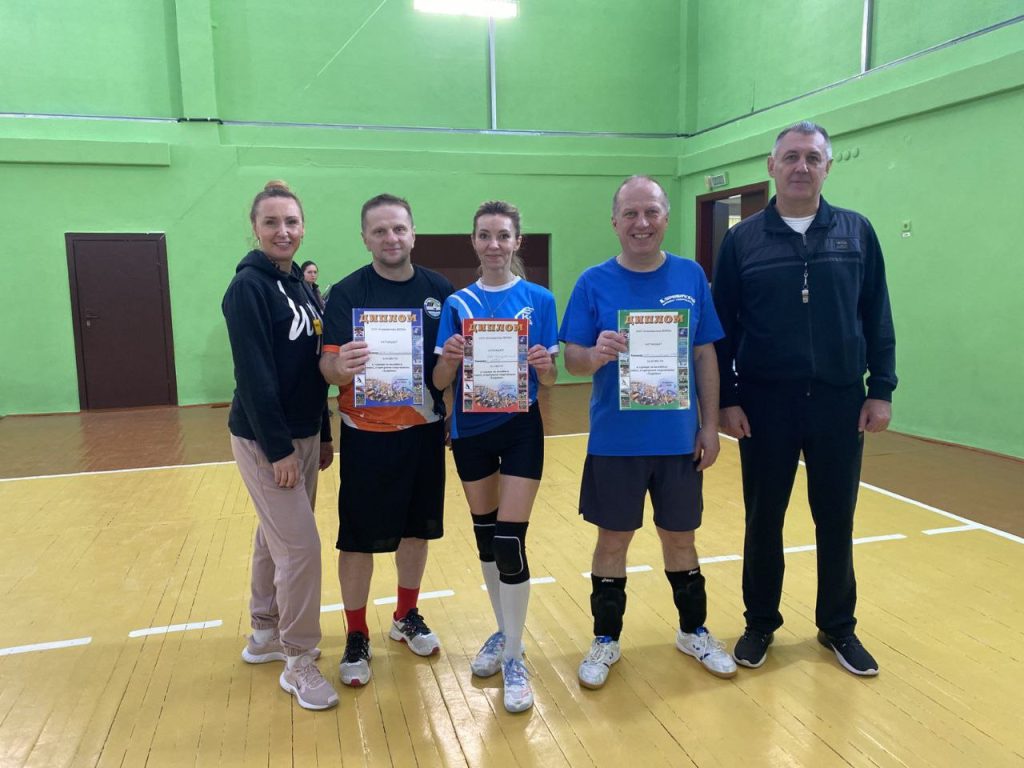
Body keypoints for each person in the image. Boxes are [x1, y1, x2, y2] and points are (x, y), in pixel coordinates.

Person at [712, 121, 897, 676]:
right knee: (763, 519)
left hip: (840, 403)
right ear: (771, 166)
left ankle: (838, 626)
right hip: (764, 405)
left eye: (812, 158)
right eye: (790, 157)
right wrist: (728, 399)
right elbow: (722, 328)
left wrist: (881, 389)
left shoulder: (857, 232)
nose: (801, 167)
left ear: (827, 167)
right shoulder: (742, 240)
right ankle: (759, 623)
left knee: (836, 519)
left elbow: (877, 314)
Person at [559, 175, 737, 690]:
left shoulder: (691, 275)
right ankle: (606, 639)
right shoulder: (592, 281)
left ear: (666, 217)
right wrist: (595, 355)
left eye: (652, 212)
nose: (642, 223)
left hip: (678, 442)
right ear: (615, 222)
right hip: (615, 442)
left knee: (681, 539)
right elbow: (572, 359)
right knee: (612, 540)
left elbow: (704, 354)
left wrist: (710, 425)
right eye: (631, 214)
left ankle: (693, 630)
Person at [319, 194, 454, 688]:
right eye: (379, 231)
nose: (390, 238)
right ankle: (357, 632)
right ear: (365, 238)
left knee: (416, 532)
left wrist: (453, 413)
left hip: (423, 433)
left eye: (398, 228)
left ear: (413, 233)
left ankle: (405, 615)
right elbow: (327, 367)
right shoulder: (347, 292)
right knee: (358, 539)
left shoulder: (440, 290)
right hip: (367, 437)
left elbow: (448, 365)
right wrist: (341, 366)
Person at [433, 201, 558, 713]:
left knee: (510, 541)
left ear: (516, 242)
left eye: (503, 235)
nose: (493, 244)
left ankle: (513, 655)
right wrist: (450, 359)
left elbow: (551, 379)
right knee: (487, 539)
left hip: (521, 428)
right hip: (470, 431)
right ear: (474, 241)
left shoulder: (539, 300)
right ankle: (506, 632)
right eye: (484, 235)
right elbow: (439, 380)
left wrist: (544, 364)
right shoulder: (457, 304)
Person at [222, 180, 339, 710]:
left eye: (291, 221)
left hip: (306, 432)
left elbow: (313, 370)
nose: (282, 231)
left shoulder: (302, 287)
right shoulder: (248, 288)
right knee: (301, 548)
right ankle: (299, 658)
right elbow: (254, 376)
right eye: (271, 222)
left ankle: (265, 632)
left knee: (276, 538)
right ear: (255, 228)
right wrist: (278, 449)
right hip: (267, 439)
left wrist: (324, 433)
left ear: (303, 227)